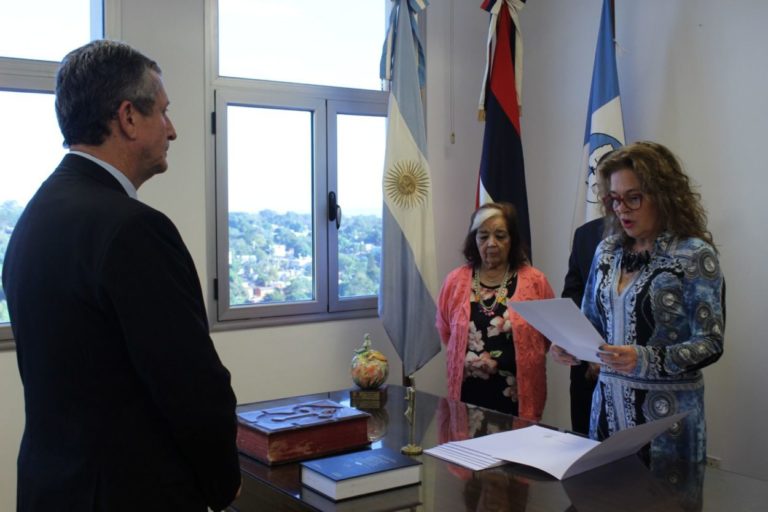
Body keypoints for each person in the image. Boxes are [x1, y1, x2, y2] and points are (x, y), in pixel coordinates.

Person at [2, 40, 241, 511]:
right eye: (164, 113)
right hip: (130, 493)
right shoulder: (134, 229)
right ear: (129, 117)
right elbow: (191, 385)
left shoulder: (34, 218)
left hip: (52, 490)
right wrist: (223, 481)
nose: (172, 131)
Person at [551, 141, 725, 463]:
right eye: (615, 199)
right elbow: (590, 323)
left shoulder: (693, 255)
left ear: (664, 195)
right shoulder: (606, 251)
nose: (621, 209)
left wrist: (644, 359)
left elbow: (710, 343)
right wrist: (569, 345)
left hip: (667, 425)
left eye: (633, 198)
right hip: (605, 415)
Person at [436, 202, 554, 421]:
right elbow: (446, 331)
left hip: (517, 399)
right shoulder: (454, 281)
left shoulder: (535, 281)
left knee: (516, 455)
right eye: (483, 236)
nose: (492, 243)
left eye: (500, 236)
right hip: (467, 397)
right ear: (474, 240)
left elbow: (548, 337)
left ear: (512, 240)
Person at [561, 216, 605, 435]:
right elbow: (572, 294)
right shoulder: (585, 234)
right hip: (585, 369)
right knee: (583, 449)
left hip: (631, 370)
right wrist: (573, 343)